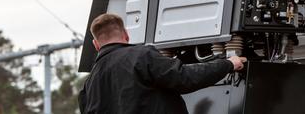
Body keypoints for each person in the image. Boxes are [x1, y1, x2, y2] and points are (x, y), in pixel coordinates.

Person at [78, 13, 246, 114]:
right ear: (126, 35)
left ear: (96, 44)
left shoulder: (88, 86)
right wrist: (228, 64)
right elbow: (185, 78)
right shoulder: (141, 56)